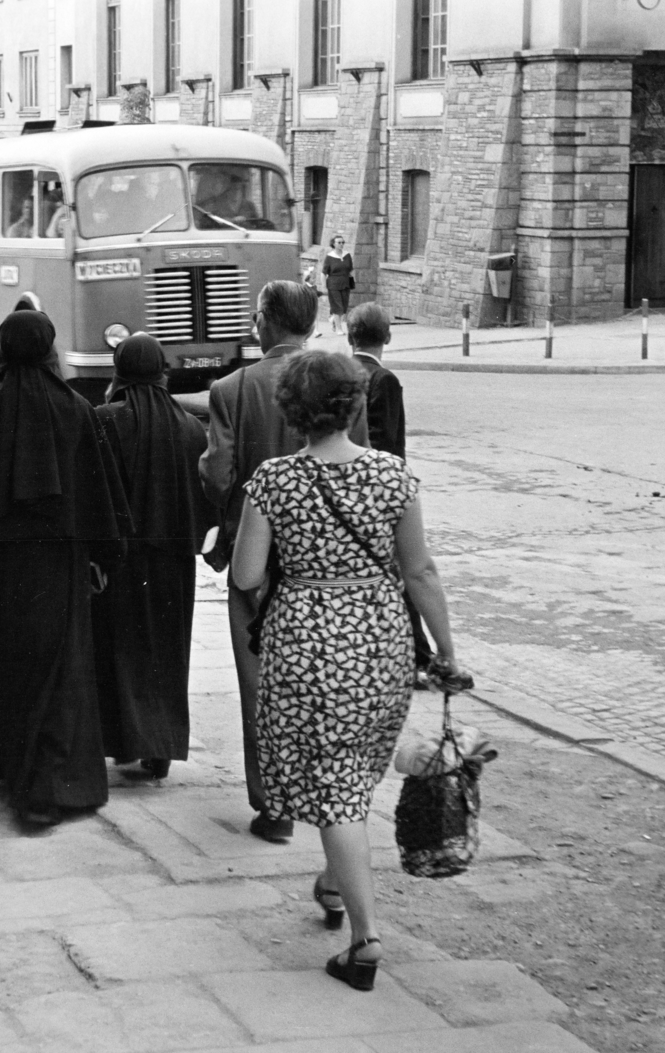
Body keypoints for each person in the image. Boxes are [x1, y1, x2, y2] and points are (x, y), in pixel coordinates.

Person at [231, 349, 463, 994]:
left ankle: (365, 940)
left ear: (292, 412)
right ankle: (335, 882)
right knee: (354, 772)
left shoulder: (273, 481)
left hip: (305, 641)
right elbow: (420, 572)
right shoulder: (394, 476)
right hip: (380, 640)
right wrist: (446, 651)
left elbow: (248, 576)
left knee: (333, 786)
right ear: (355, 404)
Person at [0, 310, 128, 826]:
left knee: (10, 668)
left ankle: (21, 772)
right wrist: (102, 556)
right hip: (59, 567)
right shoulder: (76, 410)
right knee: (59, 670)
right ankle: (55, 779)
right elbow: (98, 496)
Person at [200, 279, 367, 844]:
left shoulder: (231, 387)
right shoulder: (344, 380)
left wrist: (224, 515)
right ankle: (333, 798)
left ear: (266, 321)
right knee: (329, 680)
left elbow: (218, 472)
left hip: (258, 554)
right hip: (329, 559)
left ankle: (275, 807)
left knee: (260, 683)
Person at [92, 334, 211, 780]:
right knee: (166, 651)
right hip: (172, 562)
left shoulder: (105, 419)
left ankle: (123, 740)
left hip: (119, 562)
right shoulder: (189, 426)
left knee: (118, 648)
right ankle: (160, 745)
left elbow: (95, 493)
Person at [346, 302, 435, 685]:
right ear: (388, 337)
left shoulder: (342, 373)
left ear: (350, 337)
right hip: (379, 492)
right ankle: (419, 656)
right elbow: (389, 443)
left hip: (343, 486)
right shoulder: (385, 381)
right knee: (404, 572)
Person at [321, 236, 354, 335]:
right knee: (337, 307)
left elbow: (351, 270)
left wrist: (352, 281)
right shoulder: (329, 257)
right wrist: (323, 287)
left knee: (344, 308)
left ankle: (333, 320)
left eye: (343, 242)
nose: (341, 244)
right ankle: (339, 329)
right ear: (334, 244)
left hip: (345, 284)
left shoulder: (347, 255)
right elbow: (323, 273)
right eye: (339, 242)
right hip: (333, 285)